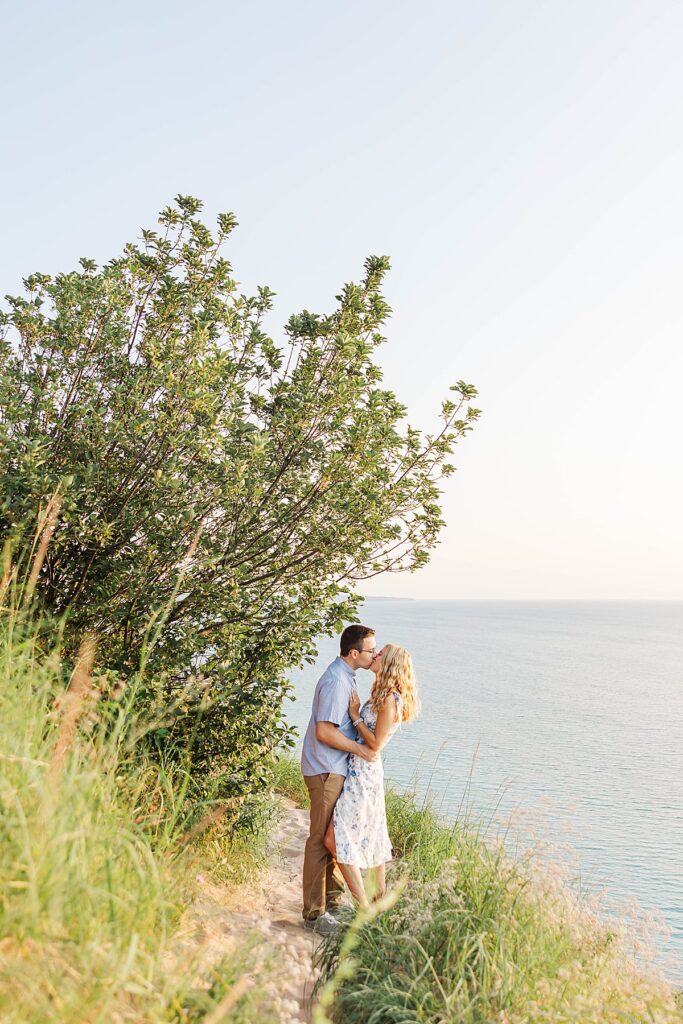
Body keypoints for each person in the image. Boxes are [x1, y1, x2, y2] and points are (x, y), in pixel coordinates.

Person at [324, 644, 419, 907]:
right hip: (360, 770)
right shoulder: (382, 694)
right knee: (373, 836)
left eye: (379, 655)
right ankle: (377, 905)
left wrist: (355, 717)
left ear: (388, 664)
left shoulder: (389, 699)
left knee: (334, 839)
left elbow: (375, 744)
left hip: (364, 773)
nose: (374, 656)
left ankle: (364, 908)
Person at [300, 624, 379, 934]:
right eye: (371, 650)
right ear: (354, 652)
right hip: (325, 769)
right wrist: (360, 748)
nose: (374, 654)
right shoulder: (336, 681)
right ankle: (313, 915)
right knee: (319, 841)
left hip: (333, 768)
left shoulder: (346, 677)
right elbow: (324, 731)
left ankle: (332, 904)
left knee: (335, 839)